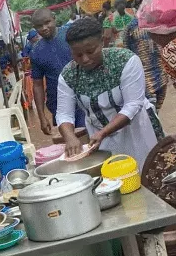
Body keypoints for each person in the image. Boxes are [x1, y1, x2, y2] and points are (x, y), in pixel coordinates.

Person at [56, 17, 163, 169]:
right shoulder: (68, 75)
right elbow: (64, 114)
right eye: (78, 55)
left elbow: (132, 105)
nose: (85, 59)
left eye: (90, 51)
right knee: (113, 178)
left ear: (102, 42)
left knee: (148, 173)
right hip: (100, 138)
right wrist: (70, 137)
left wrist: (103, 132)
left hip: (136, 130)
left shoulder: (125, 61)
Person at [31, 7, 85, 135]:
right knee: (67, 142)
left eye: (47, 22)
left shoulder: (71, 35)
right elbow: (37, 85)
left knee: (88, 137)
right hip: (58, 105)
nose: (44, 28)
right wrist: (42, 116)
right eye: (39, 26)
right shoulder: (36, 51)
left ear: (54, 19)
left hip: (84, 97)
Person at [124, 15, 169, 110]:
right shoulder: (131, 26)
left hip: (161, 71)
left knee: (158, 104)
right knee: (150, 106)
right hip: (144, 73)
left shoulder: (159, 22)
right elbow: (126, 49)